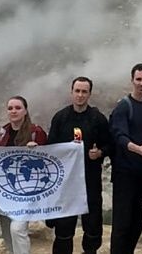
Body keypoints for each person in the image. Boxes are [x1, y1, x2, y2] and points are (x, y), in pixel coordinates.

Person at [48, 77, 112, 254]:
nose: (80, 95)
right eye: (77, 91)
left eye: (84, 91)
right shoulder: (60, 118)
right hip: (66, 182)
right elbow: (50, 147)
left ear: (90, 94)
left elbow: (109, 144)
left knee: (92, 225)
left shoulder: (98, 119)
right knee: (64, 227)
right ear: (71, 92)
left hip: (90, 180)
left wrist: (99, 152)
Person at [109, 63, 142, 254]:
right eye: (138, 79)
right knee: (122, 222)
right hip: (124, 172)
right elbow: (119, 136)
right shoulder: (123, 106)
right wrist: (138, 149)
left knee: (137, 221)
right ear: (132, 80)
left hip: (140, 172)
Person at [0, 96, 48, 254]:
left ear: (25, 110)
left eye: (17, 108)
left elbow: (49, 158)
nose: (13, 111)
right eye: (10, 108)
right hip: (7, 190)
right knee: (7, 230)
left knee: (17, 228)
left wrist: (37, 150)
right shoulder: (2, 133)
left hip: (28, 190)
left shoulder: (35, 132)